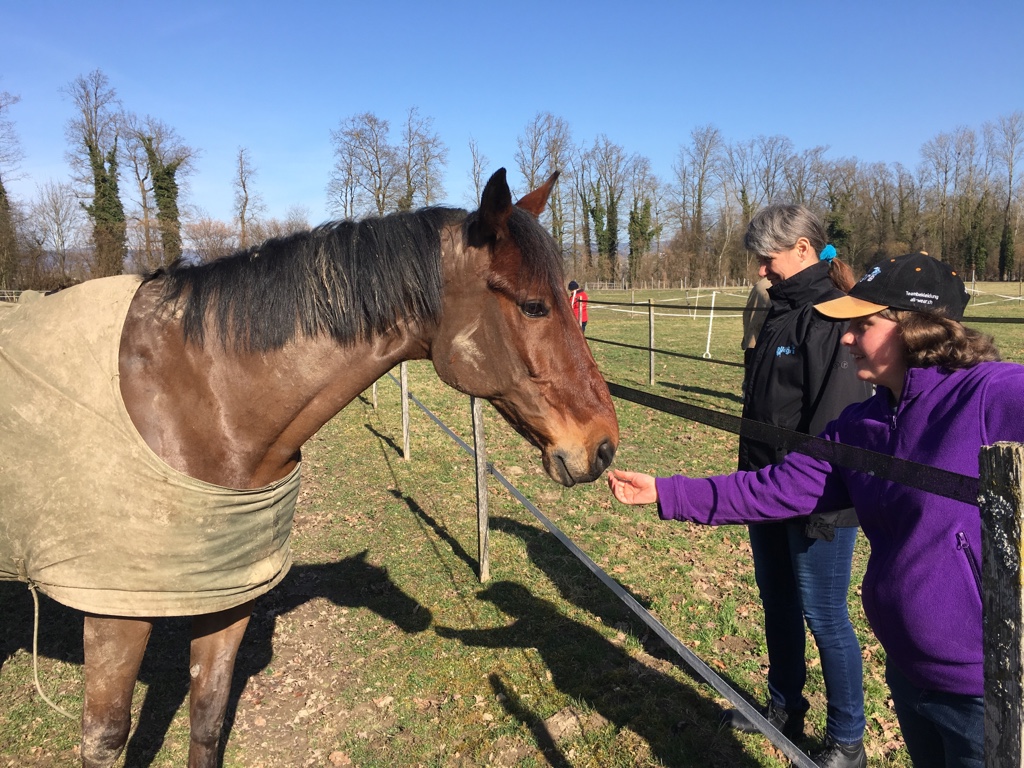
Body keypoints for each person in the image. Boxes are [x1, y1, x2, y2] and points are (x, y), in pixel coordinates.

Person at [609, 252, 1024, 767]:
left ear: (917, 329)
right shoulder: (860, 424)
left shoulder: (990, 394)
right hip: (908, 672)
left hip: (986, 690)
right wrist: (667, 493)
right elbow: (777, 488)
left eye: (863, 325)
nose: (847, 338)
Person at [718, 205, 872, 766]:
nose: (761, 270)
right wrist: (753, 483)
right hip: (766, 490)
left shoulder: (830, 318)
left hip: (816, 501)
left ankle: (848, 739)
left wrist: (817, 504)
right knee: (777, 601)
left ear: (803, 248)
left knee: (824, 615)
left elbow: (834, 424)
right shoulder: (780, 313)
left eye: (768, 258)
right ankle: (783, 707)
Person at [740, 276, 771, 394]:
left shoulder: (760, 285)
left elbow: (747, 313)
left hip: (753, 336)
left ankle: (747, 391)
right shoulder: (775, 286)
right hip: (764, 338)